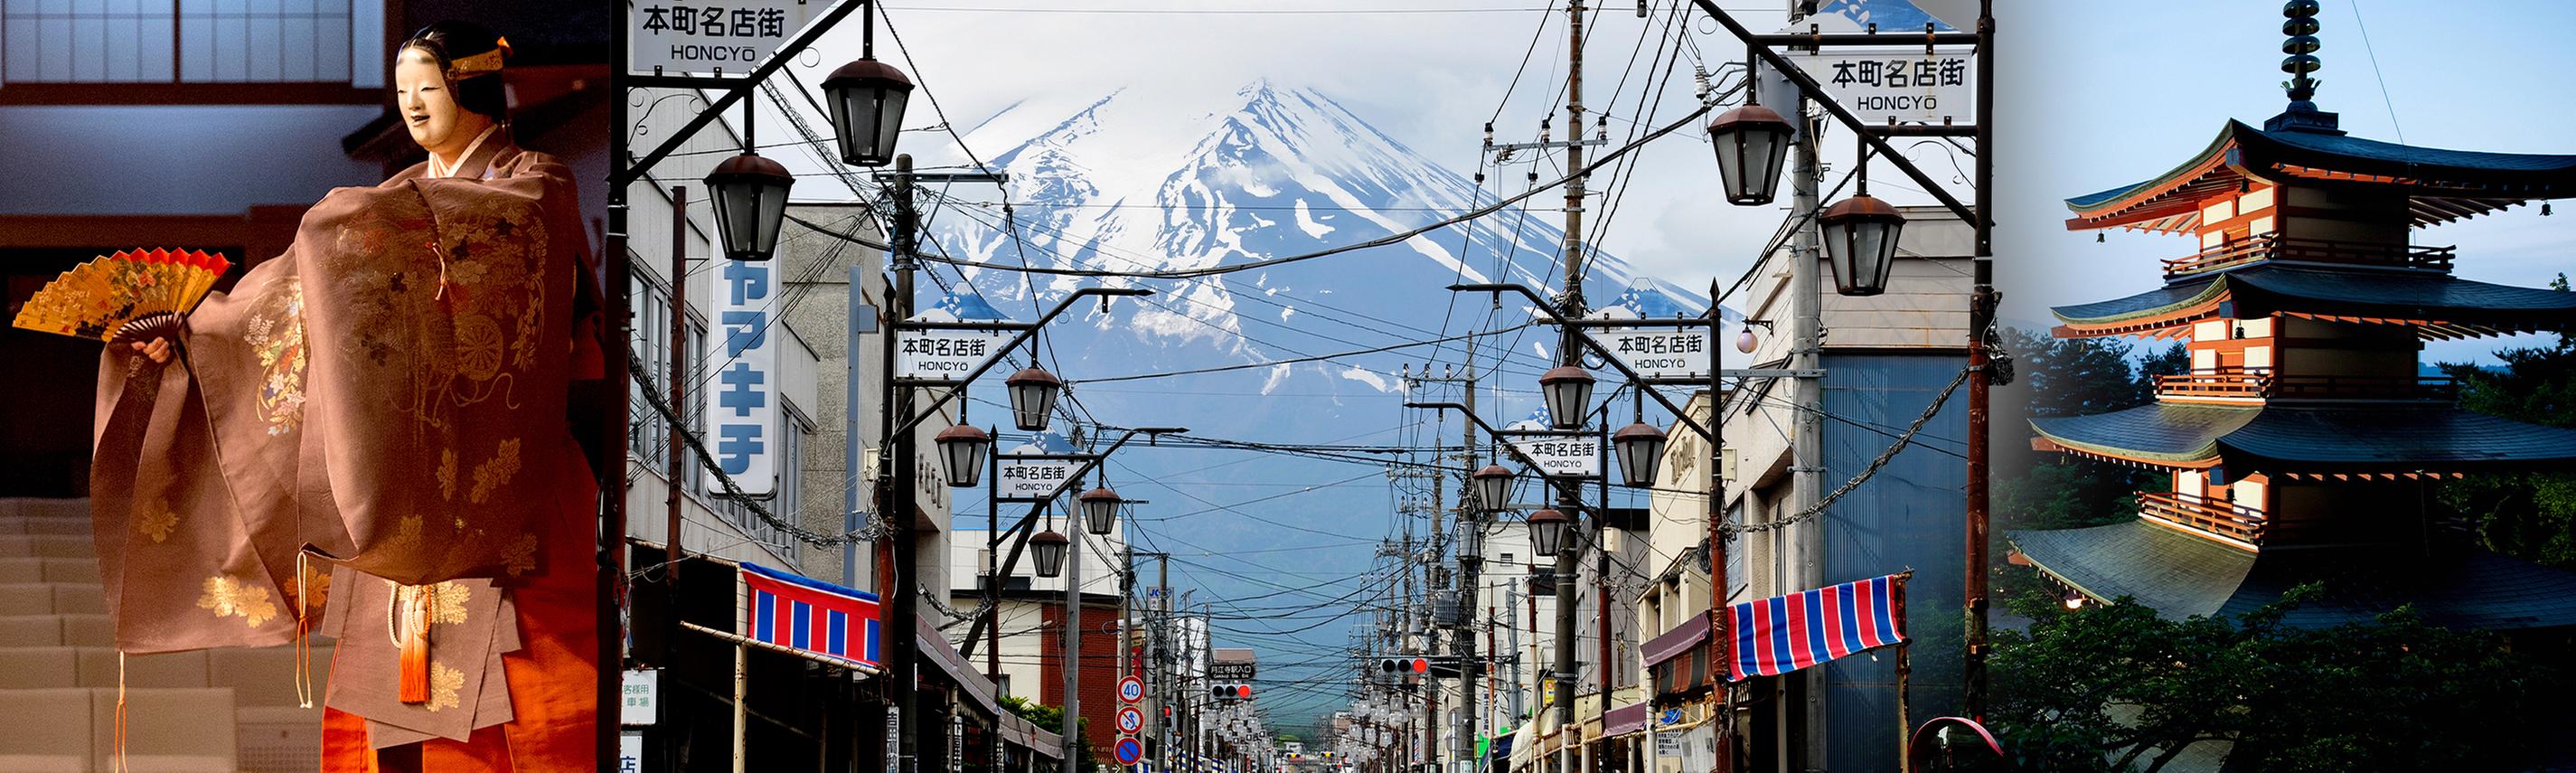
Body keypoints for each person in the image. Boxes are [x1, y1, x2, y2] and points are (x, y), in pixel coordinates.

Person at [100, 21, 601, 770]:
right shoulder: (394, 198)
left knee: (530, 704)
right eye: (403, 93)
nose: (413, 106)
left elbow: (503, 238)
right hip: (406, 494)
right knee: (392, 717)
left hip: (509, 487)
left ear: (471, 86)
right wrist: (197, 330)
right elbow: (294, 294)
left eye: (428, 87)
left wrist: (371, 228)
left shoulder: (534, 181)